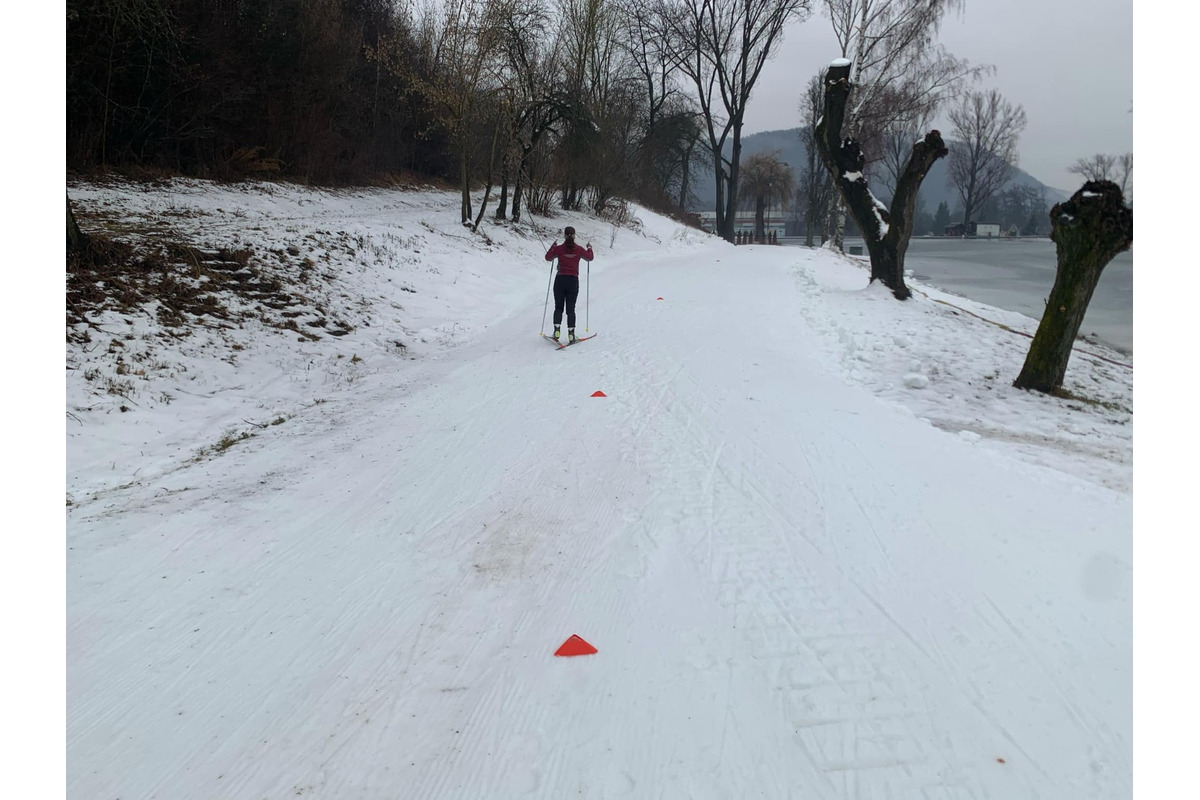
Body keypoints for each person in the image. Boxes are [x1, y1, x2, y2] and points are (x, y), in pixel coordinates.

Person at [544, 226, 594, 342]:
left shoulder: (559, 249)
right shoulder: (579, 249)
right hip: (573, 281)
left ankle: (556, 331)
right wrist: (590, 248)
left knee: (558, 307)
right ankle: (571, 334)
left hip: (560, 280)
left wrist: (553, 247)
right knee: (571, 308)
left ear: (564, 236)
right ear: (574, 235)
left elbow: (548, 257)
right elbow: (590, 258)